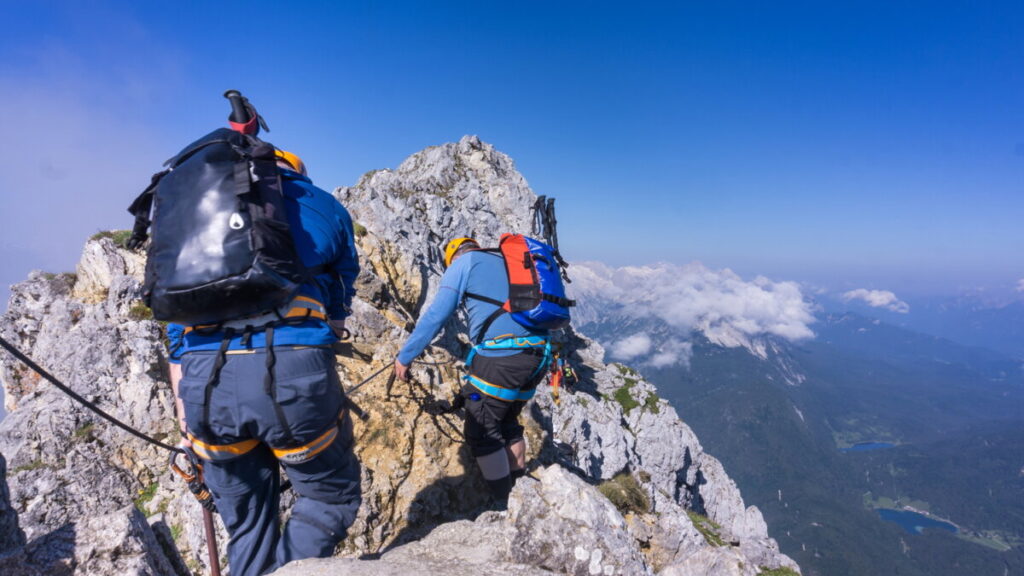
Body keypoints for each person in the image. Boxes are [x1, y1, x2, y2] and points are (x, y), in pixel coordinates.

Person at [167, 150, 361, 576]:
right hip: (294, 374)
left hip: (204, 384)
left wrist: (186, 424)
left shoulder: (196, 215)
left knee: (248, 524)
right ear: (294, 172)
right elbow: (338, 306)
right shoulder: (322, 203)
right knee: (330, 496)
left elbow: (176, 337)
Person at [394, 237, 551, 506]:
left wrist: (406, 356)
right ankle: (520, 490)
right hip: (538, 356)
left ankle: (504, 506)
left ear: (452, 258)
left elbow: (436, 315)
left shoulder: (464, 263)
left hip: (503, 358)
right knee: (507, 422)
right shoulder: (509, 262)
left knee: (483, 430)